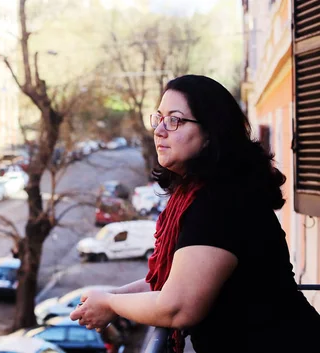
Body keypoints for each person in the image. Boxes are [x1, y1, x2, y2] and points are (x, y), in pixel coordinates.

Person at [69, 75, 320, 353]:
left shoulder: (221, 200)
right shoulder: (205, 192)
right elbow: (178, 279)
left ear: (210, 134)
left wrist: (111, 303)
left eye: (175, 120)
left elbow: (178, 308)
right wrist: (110, 296)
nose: (160, 130)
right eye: (159, 118)